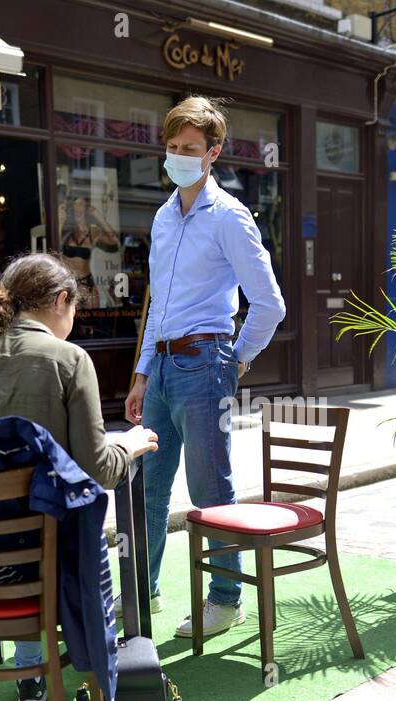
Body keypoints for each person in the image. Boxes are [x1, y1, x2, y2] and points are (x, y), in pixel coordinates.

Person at [0, 252, 158, 701]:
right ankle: (85, 672)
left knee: (18, 517)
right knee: (57, 525)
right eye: (75, 308)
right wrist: (129, 447)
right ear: (60, 300)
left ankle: (27, 675)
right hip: (40, 566)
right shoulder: (69, 360)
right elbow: (100, 471)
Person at [123, 96, 287, 639]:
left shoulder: (230, 217)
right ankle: (140, 595)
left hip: (204, 362)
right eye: (171, 147)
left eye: (189, 149)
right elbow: (158, 304)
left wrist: (234, 360)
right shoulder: (164, 216)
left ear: (213, 153)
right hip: (163, 371)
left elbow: (269, 302)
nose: (177, 157)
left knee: (209, 488)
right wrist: (142, 373)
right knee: (146, 488)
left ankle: (225, 600)